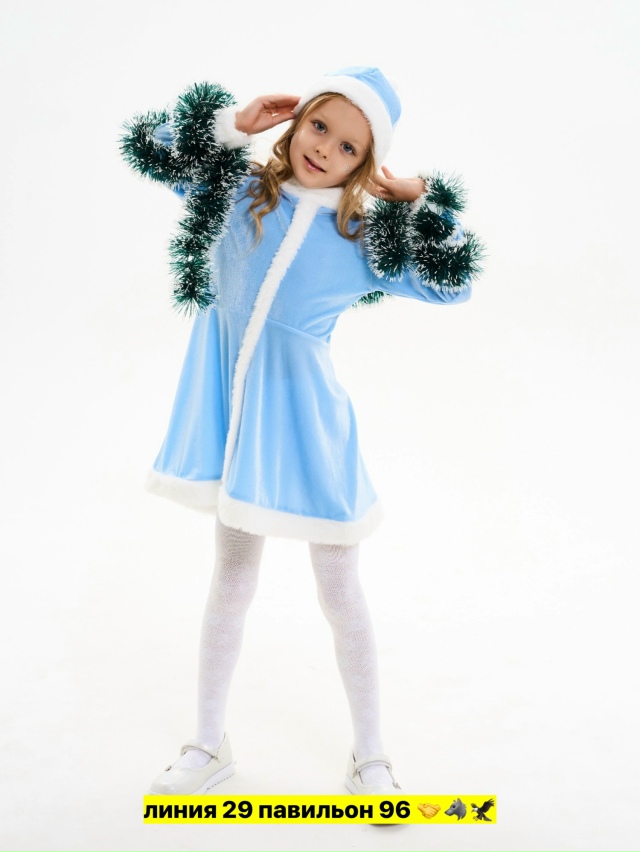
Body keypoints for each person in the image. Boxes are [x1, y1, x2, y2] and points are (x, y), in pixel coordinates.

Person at [120, 66, 483, 797]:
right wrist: (233, 125)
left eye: (349, 146)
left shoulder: (362, 239)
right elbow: (152, 148)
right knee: (231, 580)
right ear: (298, 120)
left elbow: (455, 282)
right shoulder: (233, 192)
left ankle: (371, 754)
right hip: (239, 430)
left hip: (313, 432)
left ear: (365, 165)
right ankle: (208, 744)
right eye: (319, 125)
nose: (324, 149)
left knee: (340, 590)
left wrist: (422, 201)